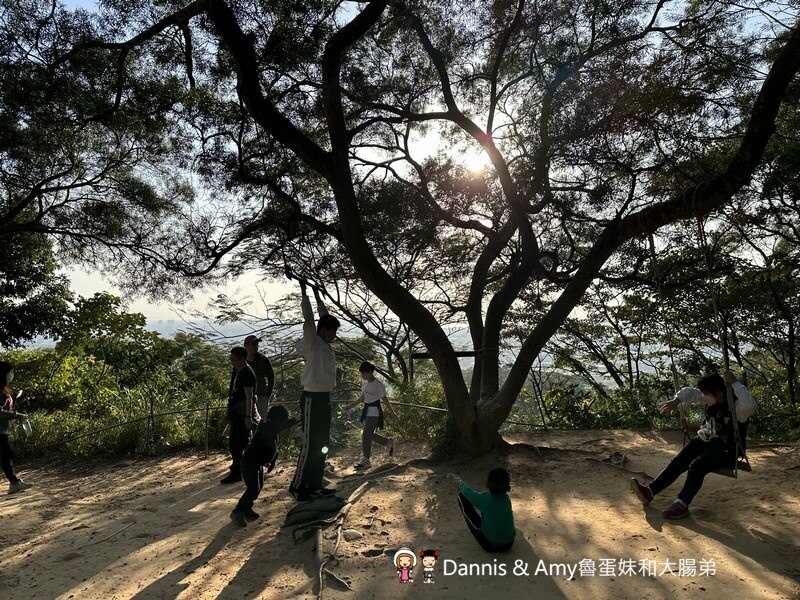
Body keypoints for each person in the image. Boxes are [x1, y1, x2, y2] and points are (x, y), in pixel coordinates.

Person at [630, 370, 756, 519]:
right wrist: (676, 401)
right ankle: (650, 491)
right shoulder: (711, 399)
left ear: (719, 394)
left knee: (697, 465)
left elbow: (751, 405)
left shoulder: (737, 408)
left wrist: (735, 382)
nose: (702, 397)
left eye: (706, 394)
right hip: (707, 440)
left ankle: (682, 503)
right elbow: (689, 392)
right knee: (680, 459)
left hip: (728, 448)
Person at [289, 281, 340, 502]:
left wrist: (319, 295)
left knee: (321, 443)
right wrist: (303, 291)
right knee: (310, 443)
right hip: (311, 398)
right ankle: (298, 486)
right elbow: (310, 320)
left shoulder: (325, 344)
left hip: (324, 398)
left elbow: (323, 315)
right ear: (324, 330)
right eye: (333, 331)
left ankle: (315, 485)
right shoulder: (312, 342)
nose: (335, 336)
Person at [230, 404, 297, 527]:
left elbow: (272, 448)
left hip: (256, 463)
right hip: (249, 463)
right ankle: (237, 511)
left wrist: (271, 461)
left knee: (259, 486)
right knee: (253, 488)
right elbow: (281, 427)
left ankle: (247, 508)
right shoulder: (267, 427)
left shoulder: (269, 428)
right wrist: (295, 420)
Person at [343, 361, 397, 470]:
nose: (361, 375)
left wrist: (392, 412)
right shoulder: (365, 383)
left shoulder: (378, 385)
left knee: (366, 434)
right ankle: (388, 442)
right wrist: (350, 406)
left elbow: (385, 400)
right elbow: (363, 397)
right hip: (367, 411)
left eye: (363, 373)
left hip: (375, 412)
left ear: (370, 372)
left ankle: (366, 460)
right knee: (370, 434)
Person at [447, 468, 516, 553]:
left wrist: (459, 482)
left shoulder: (485, 499)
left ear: (487, 484)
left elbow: (468, 492)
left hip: (491, 545)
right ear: (508, 488)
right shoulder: (506, 499)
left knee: (462, 497)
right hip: (510, 543)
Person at [221, 347, 258, 484]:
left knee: (238, 443)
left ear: (243, 358)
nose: (232, 362)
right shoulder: (237, 371)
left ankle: (238, 470)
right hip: (237, 412)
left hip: (243, 413)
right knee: (236, 443)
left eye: (234, 360)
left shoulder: (247, 373)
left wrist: (248, 417)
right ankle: (239, 467)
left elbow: (249, 396)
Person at [0, 362, 30, 494]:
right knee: (6, 455)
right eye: (10, 372)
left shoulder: (3, 390)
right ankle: (14, 482)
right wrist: (17, 415)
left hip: (3, 430)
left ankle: (14, 482)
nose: (12, 375)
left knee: (6, 455)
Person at [243, 335, 275, 420]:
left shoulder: (263, 360)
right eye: (253, 344)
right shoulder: (242, 361)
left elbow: (271, 378)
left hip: (261, 397)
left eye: (257, 344)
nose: (256, 346)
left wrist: (267, 396)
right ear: (246, 346)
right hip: (245, 398)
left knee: (261, 423)